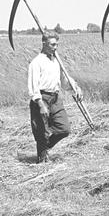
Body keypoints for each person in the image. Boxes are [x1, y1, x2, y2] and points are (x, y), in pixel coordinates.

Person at [28, 32, 83, 163]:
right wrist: (40, 104)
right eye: (52, 44)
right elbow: (33, 86)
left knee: (64, 129)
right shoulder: (36, 62)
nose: (55, 47)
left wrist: (75, 88)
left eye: (57, 44)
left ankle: (45, 147)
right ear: (44, 44)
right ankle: (42, 160)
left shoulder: (56, 61)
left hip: (55, 98)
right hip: (41, 98)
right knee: (42, 132)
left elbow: (64, 81)